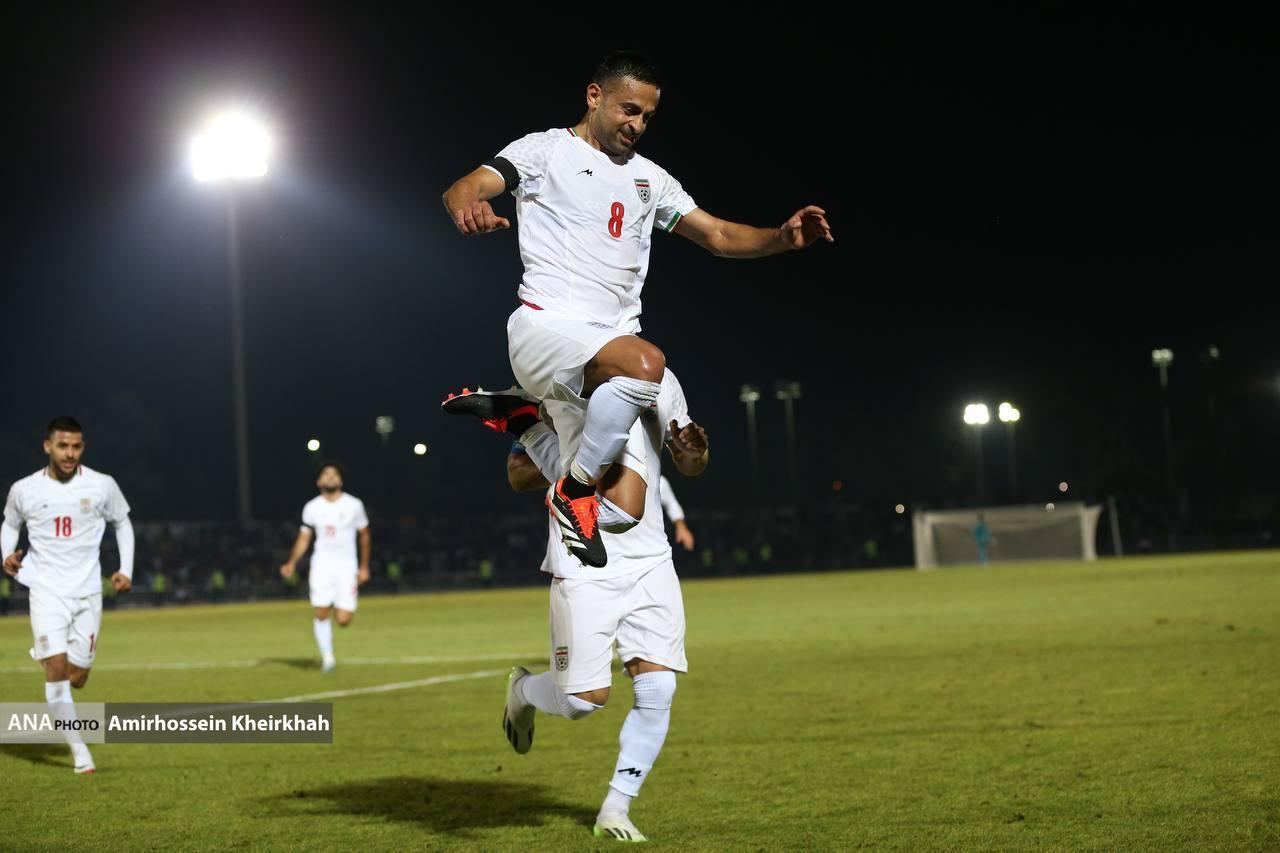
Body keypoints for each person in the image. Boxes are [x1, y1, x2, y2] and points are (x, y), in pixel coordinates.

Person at [442, 51, 831, 569]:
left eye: (647, 116)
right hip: (547, 327)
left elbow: (716, 234)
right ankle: (572, 491)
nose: (638, 124)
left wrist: (780, 239)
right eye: (629, 110)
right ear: (594, 95)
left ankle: (528, 425)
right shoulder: (546, 151)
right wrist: (469, 204)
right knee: (648, 364)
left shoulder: (650, 178)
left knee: (625, 510)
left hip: (610, 346)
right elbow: (466, 185)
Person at [446, 371, 707, 842]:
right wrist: (580, 465)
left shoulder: (658, 377)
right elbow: (517, 474)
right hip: (582, 560)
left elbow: (688, 461)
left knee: (659, 689)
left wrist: (694, 453)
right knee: (582, 702)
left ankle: (615, 808)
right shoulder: (549, 372)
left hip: (649, 560)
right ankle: (523, 692)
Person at [2, 416, 135, 775]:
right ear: (47, 446)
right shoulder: (25, 489)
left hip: (88, 592)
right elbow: (10, 524)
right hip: (45, 590)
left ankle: (46, 652)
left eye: (76, 446)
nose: (70, 453)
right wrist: (7, 555)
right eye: (63, 445)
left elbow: (122, 522)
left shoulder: (102, 485)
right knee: (58, 671)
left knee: (77, 677)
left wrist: (126, 569)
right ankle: (80, 754)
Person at [279, 463, 371, 672]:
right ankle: (328, 658)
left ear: (340, 481)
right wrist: (291, 562)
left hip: (347, 567)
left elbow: (364, 535)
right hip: (321, 566)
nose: (330, 477)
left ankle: (337, 606)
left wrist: (364, 567)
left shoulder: (354, 505)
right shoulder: (312, 507)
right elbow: (304, 538)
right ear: (319, 482)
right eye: (326, 474)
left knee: (343, 619)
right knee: (320, 612)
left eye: (334, 474)